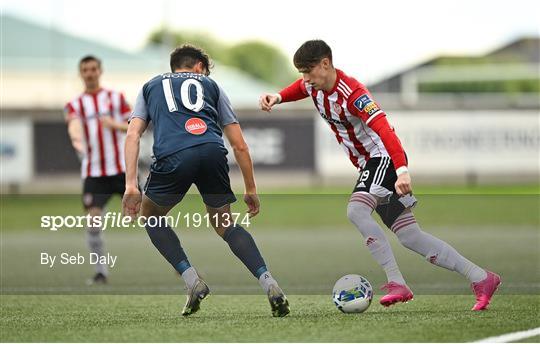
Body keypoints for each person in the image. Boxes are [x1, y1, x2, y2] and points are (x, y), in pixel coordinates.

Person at [259, 40, 500, 311]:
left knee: (356, 211)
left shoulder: (353, 94)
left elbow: (385, 131)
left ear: (325, 64)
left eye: (308, 71)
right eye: (301, 72)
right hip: (368, 165)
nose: (305, 79)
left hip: (383, 158)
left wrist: (402, 171)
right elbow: (298, 88)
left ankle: (397, 282)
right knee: (411, 236)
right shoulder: (313, 85)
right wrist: (278, 97)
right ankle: (481, 278)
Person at [122, 44, 290, 317]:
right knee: (225, 224)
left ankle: (192, 281)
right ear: (199, 67)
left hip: (173, 155)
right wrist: (250, 189)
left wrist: (131, 184)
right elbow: (240, 146)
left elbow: (133, 136)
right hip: (212, 151)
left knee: (151, 215)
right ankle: (269, 282)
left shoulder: (150, 86)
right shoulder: (212, 86)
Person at [65, 55, 130, 284]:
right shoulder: (76, 104)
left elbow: (133, 126)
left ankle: (179, 265)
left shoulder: (115, 98)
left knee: (151, 215)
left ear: (100, 71)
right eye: (85, 70)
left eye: (93, 69)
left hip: (122, 170)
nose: (90, 73)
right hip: (94, 173)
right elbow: (73, 124)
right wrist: (77, 140)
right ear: (81, 73)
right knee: (93, 221)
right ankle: (101, 272)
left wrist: (114, 125)